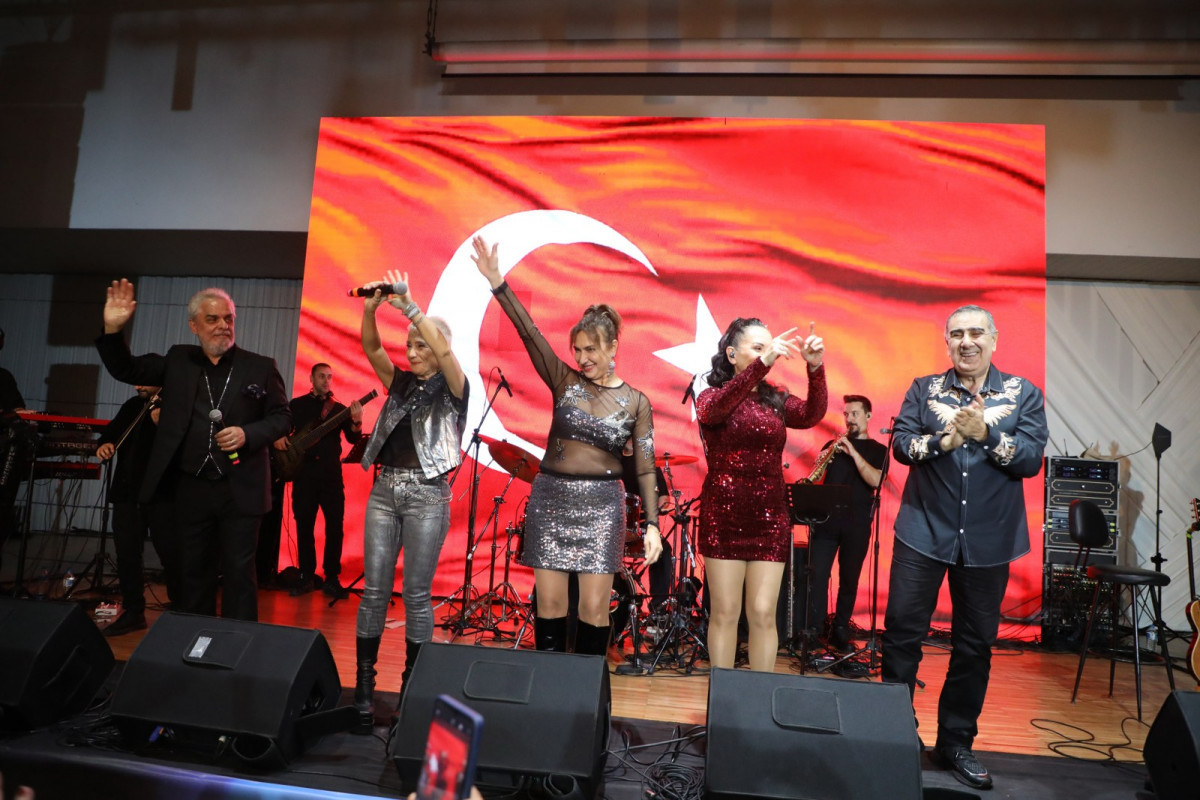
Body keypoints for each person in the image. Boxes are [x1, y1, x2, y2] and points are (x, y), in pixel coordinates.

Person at [881, 305, 1047, 791]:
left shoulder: (1023, 393)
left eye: (976, 333)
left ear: (994, 340)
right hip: (923, 531)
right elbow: (901, 446)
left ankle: (955, 743)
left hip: (989, 538)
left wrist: (986, 434)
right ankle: (894, 735)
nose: (966, 341)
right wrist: (944, 442)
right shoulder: (923, 389)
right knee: (902, 634)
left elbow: (1031, 460)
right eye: (957, 334)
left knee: (974, 646)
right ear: (947, 342)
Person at [472, 236, 663, 656]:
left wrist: (652, 524)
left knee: (594, 609)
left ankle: (586, 689)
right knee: (551, 606)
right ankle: (548, 689)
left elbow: (646, 467)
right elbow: (529, 334)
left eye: (591, 349)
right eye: (577, 350)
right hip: (551, 499)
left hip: (603, 506)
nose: (582, 358)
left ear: (613, 347)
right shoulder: (564, 381)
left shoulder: (637, 402)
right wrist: (497, 283)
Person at [95, 280, 291, 622]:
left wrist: (248, 433)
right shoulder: (178, 360)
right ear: (194, 325)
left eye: (228, 318)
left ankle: (237, 641)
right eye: (212, 319)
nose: (223, 325)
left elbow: (283, 417)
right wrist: (113, 330)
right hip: (190, 487)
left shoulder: (260, 366)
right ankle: (196, 639)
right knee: (193, 572)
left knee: (239, 573)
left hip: (241, 487)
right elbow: (126, 369)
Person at [352, 270, 468, 734]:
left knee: (417, 595)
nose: (413, 351)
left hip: (427, 494)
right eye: (410, 345)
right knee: (374, 592)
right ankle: (364, 687)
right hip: (384, 491)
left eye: (422, 345)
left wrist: (413, 310)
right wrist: (370, 311)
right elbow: (373, 349)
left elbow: (444, 353)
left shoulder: (455, 388)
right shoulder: (401, 384)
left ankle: (411, 690)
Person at [696, 317, 826, 672]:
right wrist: (762, 364)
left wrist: (815, 369)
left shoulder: (776, 399)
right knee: (725, 612)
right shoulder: (710, 395)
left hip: (770, 517)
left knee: (764, 612)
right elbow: (714, 412)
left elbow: (811, 414)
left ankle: (760, 697)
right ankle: (722, 695)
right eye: (758, 347)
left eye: (770, 348)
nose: (769, 353)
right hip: (723, 515)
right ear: (731, 354)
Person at [94, 385, 181, 635]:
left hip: (161, 493)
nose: (137, 386)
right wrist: (104, 444)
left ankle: (181, 607)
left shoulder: (174, 406)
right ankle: (134, 611)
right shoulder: (132, 406)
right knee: (127, 554)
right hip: (127, 492)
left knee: (171, 552)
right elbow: (110, 433)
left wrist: (163, 422)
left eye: (142, 381)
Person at [273, 363, 363, 597]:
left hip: (331, 477)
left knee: (335, 528)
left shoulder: (339, 409)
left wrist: (356, 422)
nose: (326, 380)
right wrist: (279, 436)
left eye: (329, 377)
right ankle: (306, 576)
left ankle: (332, 578)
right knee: (304, 526)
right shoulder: (296, 405)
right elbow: (282, 427)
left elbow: (353, 439)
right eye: (321, 376)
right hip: (304, 475)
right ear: (311, 379)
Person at [806, 394, 886, 653]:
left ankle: (840, 629)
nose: (849, 419)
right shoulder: (833, 445)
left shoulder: (878, 450)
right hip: (826, 522)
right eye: (846, 414)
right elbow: (817, 480)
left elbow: (875, 480)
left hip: (857, 524)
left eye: (854, 414)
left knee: (849, 580)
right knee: (817, 577)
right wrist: (822, 462)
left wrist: (852, 452)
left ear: (868, 416)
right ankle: (814, 629)